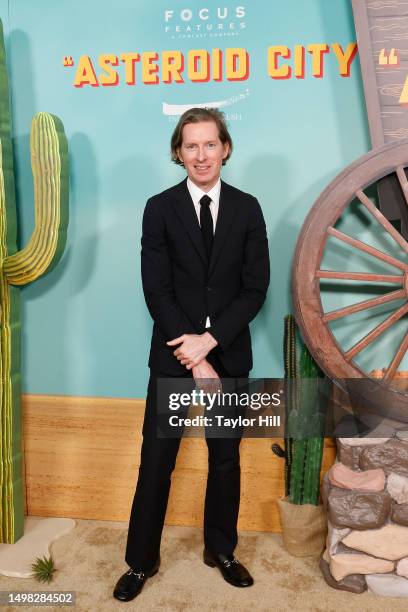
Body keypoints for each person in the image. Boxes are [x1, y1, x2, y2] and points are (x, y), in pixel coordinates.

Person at [113, 107, 270, 602]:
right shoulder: (159, 208)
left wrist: (213, 342)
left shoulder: (248, 208)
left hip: (229, 355)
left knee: (225, 459)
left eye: (209, 144)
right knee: (156, 460)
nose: (201, 155)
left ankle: (221, 550)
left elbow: (255, 288)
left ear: (225, 148)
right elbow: (156, 290)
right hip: (175, 358)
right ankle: (141, 561)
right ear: (178, 153)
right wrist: (195, 355)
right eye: (190, 146)